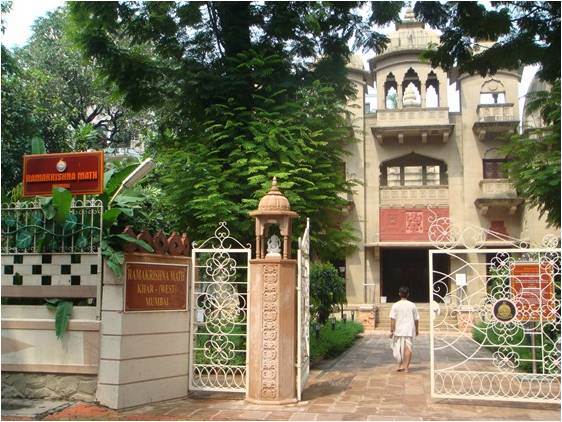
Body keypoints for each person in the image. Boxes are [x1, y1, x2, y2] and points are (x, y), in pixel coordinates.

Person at [389, 286, 419, 372]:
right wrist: (417, 330)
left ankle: (400, 365)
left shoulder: (395, 305)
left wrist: (392, 330)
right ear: (408, 294)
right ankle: (406, 368)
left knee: (398, 347)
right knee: (408, 348)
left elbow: (392, 318)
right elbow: (416, 319)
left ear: (399, 294)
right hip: (409, 329)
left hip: (398, 329)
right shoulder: (412, 305)